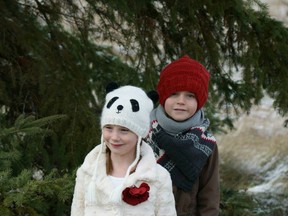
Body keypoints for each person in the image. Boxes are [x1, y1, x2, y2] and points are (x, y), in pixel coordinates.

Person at [71, 84, 176, 216]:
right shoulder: (87, 172)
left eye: (124, 130)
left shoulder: (158, 177)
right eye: (109, 128)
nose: (114, 137)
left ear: (139, 133)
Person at [146, 55, 220, 216]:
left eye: (190, 96)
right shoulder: (143, 134)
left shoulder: (206, 144)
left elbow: (209, 198)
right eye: (174, 94)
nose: (181, 101)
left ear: (199, 101)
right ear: (163, 96)